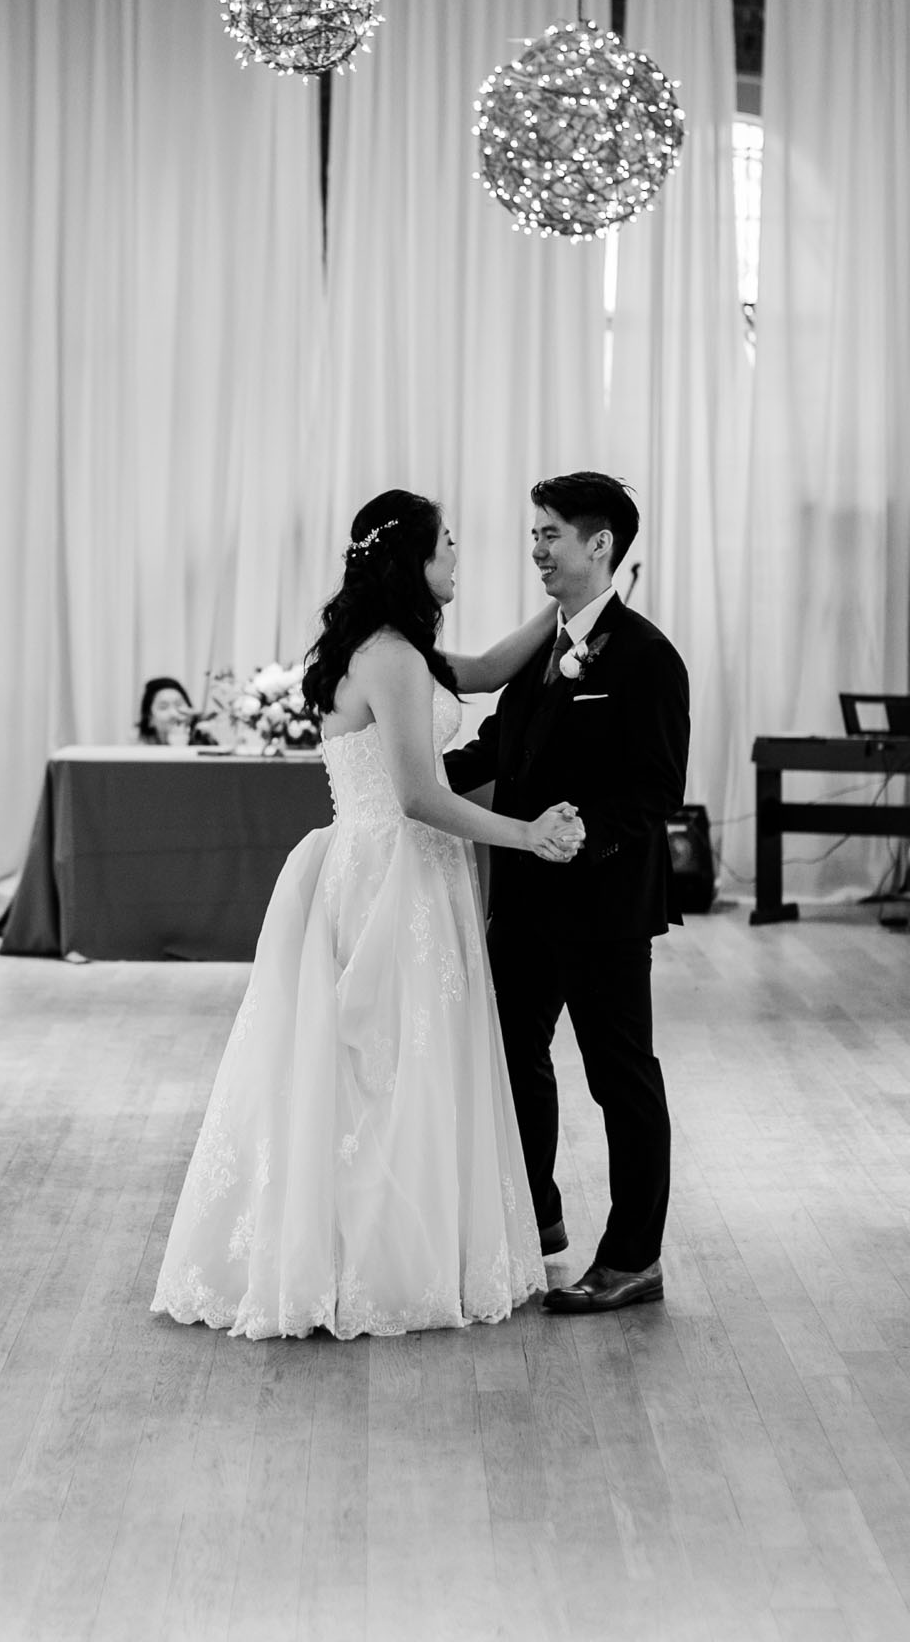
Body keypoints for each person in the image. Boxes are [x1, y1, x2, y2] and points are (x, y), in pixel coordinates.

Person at [150, 489, 582, 1340]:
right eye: (447, 544)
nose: (459, 555)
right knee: (383, 1071)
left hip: (394, 871)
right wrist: (526, 835)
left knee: (388, 1069)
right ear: (411, 563)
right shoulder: (389, 656)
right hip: (394, 876)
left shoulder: (390, 648)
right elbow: (420, 796)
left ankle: (383, 1246)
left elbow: (490, 671)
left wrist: (562, 609)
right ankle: (375, 1264)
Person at [444, 472, 690, 1314]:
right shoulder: (541, 654)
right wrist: (397, 781)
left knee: (619, 1076)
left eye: (551, 532)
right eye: (535, 531)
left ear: (600, 547)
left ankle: (632, 1257)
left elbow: (656, 790)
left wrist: (588, 831)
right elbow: (497, 751)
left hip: (601, 906)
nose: (537, 547)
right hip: (520, 902)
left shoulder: (648, 657)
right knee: (512, 1062)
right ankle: (536, 1221)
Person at [136, 676, 194, 746]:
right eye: (163, 707)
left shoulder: (205, 737)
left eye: (179, 704)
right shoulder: (138, 747)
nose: (174, 714)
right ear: (149, 718)